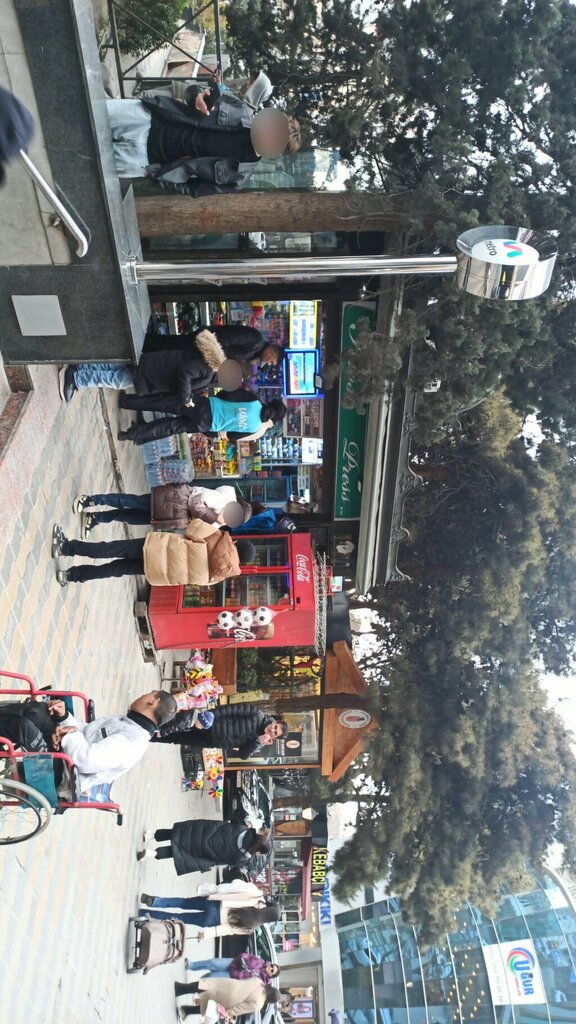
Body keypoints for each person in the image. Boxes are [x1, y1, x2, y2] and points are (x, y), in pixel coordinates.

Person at [105, 79, 301, 195]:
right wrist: (197, 95)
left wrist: (157, 176)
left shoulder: (238, 178)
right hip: (148, 117)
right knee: (87, 111)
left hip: (144, 160)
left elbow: (192, 190)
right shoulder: (241, 109)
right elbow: (195, 90)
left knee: (88, 164)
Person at [0, 690, 177, 792]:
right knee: (37, 710)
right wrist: (65, 718)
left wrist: (70, 734)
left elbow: (86, 760)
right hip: (64, 751)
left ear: (153, 701)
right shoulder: (129, 721)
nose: (141, 696)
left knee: (24, 726)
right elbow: (86, 732)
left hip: (64, 772)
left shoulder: (130, 742)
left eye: (147, 694)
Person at [52, 520, 255, 587]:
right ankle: (70, 576)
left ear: (236, 542)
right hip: (157, 571)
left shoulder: (217, 536)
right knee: (114, 569)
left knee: (110, 548)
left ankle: (66, 547)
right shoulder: (219, 576)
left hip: (156, 547)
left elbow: (192, 528)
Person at [58, 327, 228, 404]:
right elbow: (184, 374)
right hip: (153, 375)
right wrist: (186, 398)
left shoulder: (208, 360)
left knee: (116, 368)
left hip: (154, 365)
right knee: (116, 379)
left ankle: (80, 367)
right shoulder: (208, 369)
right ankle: (76, 378)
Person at [71, 483, 252, 538]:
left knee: (129, 517)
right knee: (129, 501)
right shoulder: (220, 500)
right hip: (172, 501)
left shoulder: (221, 520)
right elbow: (196, 502)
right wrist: (214, 517)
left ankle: (95, 518)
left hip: (172, 516)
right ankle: (90, 500)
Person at [117, 389, 287, 446]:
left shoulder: (255, 402)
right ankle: (130, 435)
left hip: (205, 406)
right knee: (169, 428)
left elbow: (230, 393)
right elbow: (231, 436)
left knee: (164, 403)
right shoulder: (255, 428)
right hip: (206, 425)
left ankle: (126, 401)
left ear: (271, 403)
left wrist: (218, 398)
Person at [140, 882, 281, 936]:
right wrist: (207, 934)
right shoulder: (252, 926)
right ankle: (146, 914)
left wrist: (217, 890)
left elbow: (235, 886)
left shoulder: (256, 894)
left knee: (183, 902)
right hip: (213, 921)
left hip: (215, 903)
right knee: (180, 919)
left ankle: (155, 901)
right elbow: (227, 930)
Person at [154, 702, 287, 759]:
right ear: (275, 722)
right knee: (179, 722)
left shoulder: (260, 742)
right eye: (275, 727)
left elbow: (243, 755)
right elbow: (229, 710)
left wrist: (257, 741)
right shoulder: (257, 713)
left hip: (212, 741)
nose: (272, 730)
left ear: (274, 738)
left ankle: (149, 736)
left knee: (176, 739)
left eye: (275, 733)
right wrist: (207, 717)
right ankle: (152, 720)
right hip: (209, 724)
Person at [136, 823, 271, 873]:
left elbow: (228, 822)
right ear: (258, 851)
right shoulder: (242, 858)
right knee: (179, 852)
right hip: (206, 853)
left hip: (205, 830)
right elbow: (225, 863)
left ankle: (151, 835)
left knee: (179, 833)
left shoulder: (242, 828)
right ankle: (151, 853)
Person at [141, 324, 282, 369]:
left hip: (204, 352)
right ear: (272, 354)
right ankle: (141, 342)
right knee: (171, 345)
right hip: (204, 343)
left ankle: (141, 350)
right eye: (271, 361)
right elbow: (225, 337)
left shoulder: (255, 353)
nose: (268, 363)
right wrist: (215, 357)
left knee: (170, 353)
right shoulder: (256, 339)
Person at [174, 976, 280, 1023]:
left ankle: (180, 988)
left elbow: (243, 980)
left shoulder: (259, 981)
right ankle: (186, 1010)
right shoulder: (259, 1004)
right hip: (230, 1000)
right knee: (210, 1008)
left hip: (229, 985)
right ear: (270, 1000)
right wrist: (228, 1014)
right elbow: (240, 1008)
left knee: (206, 986)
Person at [184, 952, 279, 982]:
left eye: (272, 970)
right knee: (212, 962)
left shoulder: (261, 981)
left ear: (271, 975)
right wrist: (243, 958)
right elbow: (248, 956)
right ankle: (191, 965)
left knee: (210, 977)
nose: (270, 968)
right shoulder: (261, 962)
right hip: (233, 963)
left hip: (232, 976)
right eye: (272, 966)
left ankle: (193, 985)